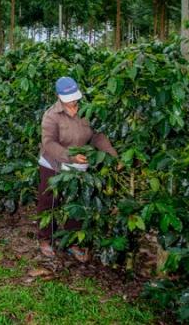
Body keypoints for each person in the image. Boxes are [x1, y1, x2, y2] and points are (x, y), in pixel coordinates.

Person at [37, 76, 118, 262]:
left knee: (75, 203)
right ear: (58, 96)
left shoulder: (86, 111)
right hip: (54, 164)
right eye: (68, 99)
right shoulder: (51, 116)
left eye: (75, 97)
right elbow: (49, 143)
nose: (73, 102)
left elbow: (97, 136)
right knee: (49, 202)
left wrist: (112, 154)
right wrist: (70, 156)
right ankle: (45, 239)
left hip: (79, 165)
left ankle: (72, 241)